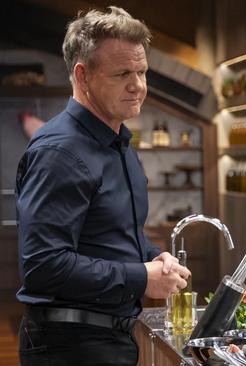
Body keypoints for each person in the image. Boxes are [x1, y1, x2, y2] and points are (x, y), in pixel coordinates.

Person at [16, 7, 191, 365]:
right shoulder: (59, 151)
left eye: (142, 72)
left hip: (111, 337)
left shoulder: (119, 143)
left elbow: (113, 234)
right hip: (68, 347)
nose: (138, 85)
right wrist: (141, 277)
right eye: (122, 73)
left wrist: (153, 257)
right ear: (83, 76)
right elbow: (43, 265)